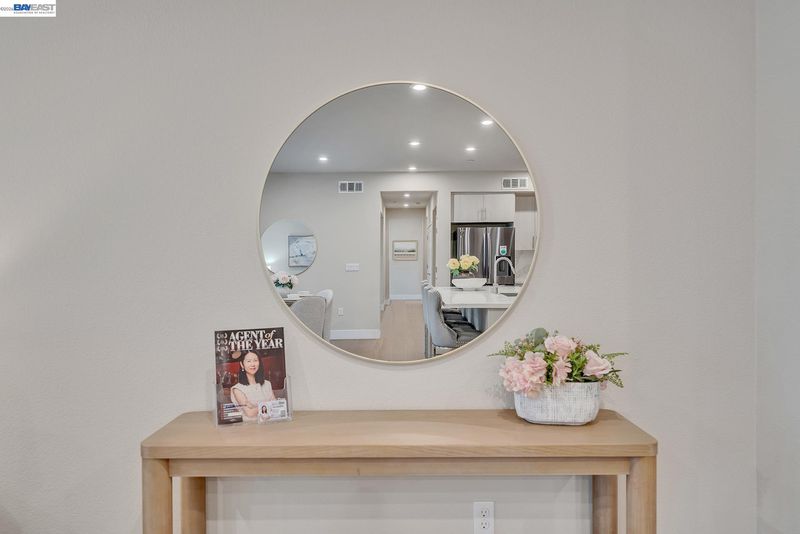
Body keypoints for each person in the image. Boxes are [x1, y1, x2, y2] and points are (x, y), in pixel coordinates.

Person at [230, 351, 276, 422]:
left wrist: (254, 406)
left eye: (255, 360)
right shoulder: (238, 389)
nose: (253, 364)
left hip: (270, 423)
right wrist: (268, 404)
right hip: (249, 425)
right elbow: (250, 413)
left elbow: (275, 405)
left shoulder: (267, 384)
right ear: (242, 364)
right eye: (249, 361)